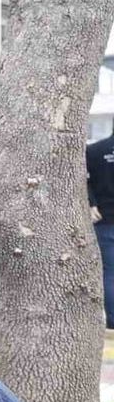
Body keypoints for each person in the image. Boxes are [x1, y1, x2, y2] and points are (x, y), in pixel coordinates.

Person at [87, 133, 114, 328]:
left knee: (110, 273)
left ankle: (113, 320)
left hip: (104, 220)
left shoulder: (95, 151)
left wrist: (92, 203)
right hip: (104, 221)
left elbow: (84, 182)